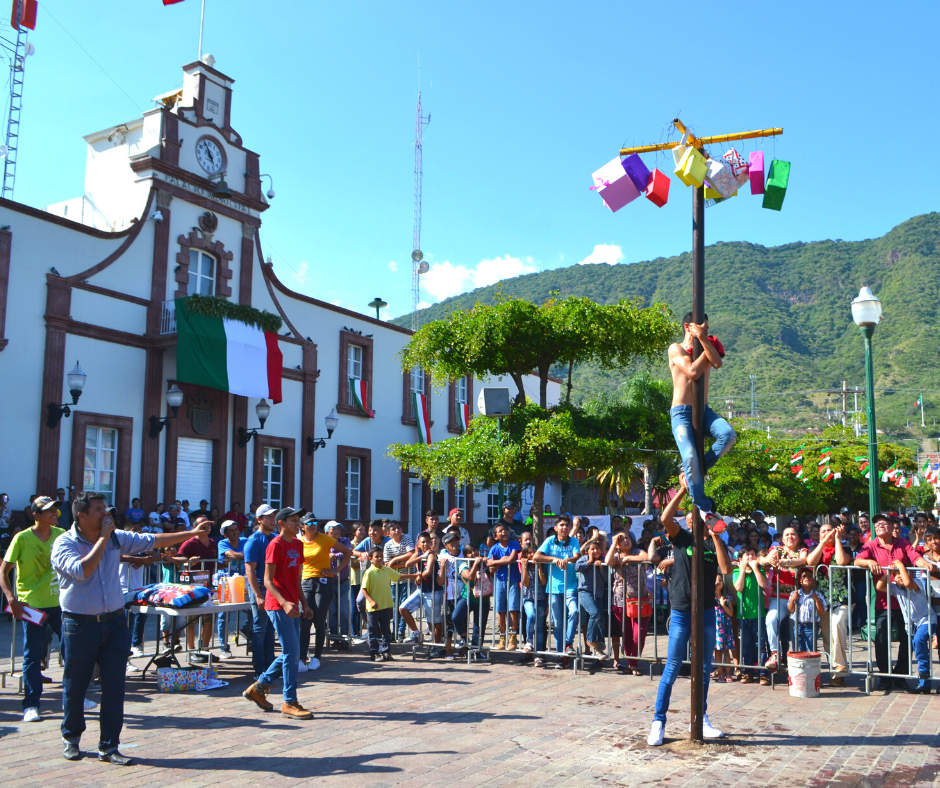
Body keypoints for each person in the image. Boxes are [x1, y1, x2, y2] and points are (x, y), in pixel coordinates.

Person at [51, 492, 207, 764]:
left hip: (113, 622)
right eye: (99, 509)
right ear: (82, 516)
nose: (106, 514)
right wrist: (102, 539)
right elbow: (82, 570)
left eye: (106, 509)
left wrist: (190, 532)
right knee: (75, 686)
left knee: (115, 686)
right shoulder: (65, 543)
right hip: (79, 624)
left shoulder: (115, 537)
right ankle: (71, 738)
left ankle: (109, 746)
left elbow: (153, 540)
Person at [647, 474, 733, 747]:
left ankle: (700, 717)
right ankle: (658, 721)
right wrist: (683, 490)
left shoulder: (712, 543)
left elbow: (726, 569)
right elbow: (664, 519)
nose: (695, 518)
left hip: (707, 609)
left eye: (703, 514)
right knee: (672, 666)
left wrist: (717, 535)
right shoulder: (682, 538)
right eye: (692, 515)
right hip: (683, 610)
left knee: (706, 667)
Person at [0, 496, 68, 721]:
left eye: (55, 509)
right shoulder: (22, 538)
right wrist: (11, 599)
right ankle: (31, 704)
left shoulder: (62, 535)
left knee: (73, 650)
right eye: (48, 510)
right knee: (32, 655)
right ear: (35, 515)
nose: (54, 513)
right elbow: (3, 571)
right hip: (32, 606)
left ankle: (73, 696)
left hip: (60, 605)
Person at [243, 507, 315, 719]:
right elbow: (267, 580)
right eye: (293, 520)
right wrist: (284, 602)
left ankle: (259, 687)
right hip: (278, 604)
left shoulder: (298, 544)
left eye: (298, 520)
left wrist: (304, 603)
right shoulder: (275, 545)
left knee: (290, 653)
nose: (297, 524)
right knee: (292, 653)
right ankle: (289, 701)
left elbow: (296, 579)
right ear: (281, 523)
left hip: (292, 604)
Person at [853, 513, 939, 691]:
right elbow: (857, 560)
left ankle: (901, 675)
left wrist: (925, 564)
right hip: (883, 601)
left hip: (907, 603)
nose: (879, 526)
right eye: (876, 524)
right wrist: (868, 561)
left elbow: (917, 558)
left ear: (893, 528)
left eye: (883, 523)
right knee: (882, 638)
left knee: (908, 639)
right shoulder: (870, 545)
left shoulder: (903, 543)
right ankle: (885, 676)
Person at [667, 313, 735, 513]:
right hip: (681, 412)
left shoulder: (708, 345)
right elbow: (693, 372)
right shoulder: (675, 348)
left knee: (728, 435)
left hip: (703, 411)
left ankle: (694, 472)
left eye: (707, 327)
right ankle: (703, 506)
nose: (705, 330)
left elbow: (718, 363)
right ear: (688, 327)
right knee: (689, 456)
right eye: (701, 327)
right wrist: (706, 347)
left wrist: (704, 340)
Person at [299, 514, 351, 671]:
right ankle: (302, 658)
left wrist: (336, 570)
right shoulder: (299, 542)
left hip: (324, 581)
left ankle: (317, 658)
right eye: (309, 523)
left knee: (319, 620)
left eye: (315, 522)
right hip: (307, 581)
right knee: (305, 620)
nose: (313, 525)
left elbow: (347, 552)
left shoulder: (325, 538)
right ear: (302, 526)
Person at [874, 561, 935, 693]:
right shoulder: (895, 588)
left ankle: (924, 672)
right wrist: (888, 573)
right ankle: (925, 683)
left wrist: (901, 566)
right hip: (912, 625)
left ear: (910, 573)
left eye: (902, 573)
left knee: (919, 641)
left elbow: (908, 583)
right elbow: (879, 586)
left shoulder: (917, 583)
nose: (899, 576)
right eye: (896, 575)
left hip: (926, 619)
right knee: (919, 649)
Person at [758, 523, 808, 671]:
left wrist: (788, 562)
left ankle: (800, 660)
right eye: (787, 535)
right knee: (771, 619)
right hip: (779, 597)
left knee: (797, 630)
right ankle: (775, 653)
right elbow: (764, 560)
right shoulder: (777, 550)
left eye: (793, 534)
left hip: (798, 597)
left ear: (798, 538)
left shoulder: (802, 550)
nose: (790, 537)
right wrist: (769, 561)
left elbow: (803, 560)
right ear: (782, 539)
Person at [807, 520, 852, 684]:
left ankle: (840, 665)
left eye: (830, 531)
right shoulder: (815, 549)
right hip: (822, 599)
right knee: (827, 637)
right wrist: (822, 543)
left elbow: (841, 561)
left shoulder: (845, 548)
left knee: (837, 624)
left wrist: (838, 540)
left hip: (843, 598)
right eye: (823, 532)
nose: (827, 534)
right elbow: (811, 562)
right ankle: (836, 674)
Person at [534, 514, 581, 662]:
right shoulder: (549, 541)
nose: (564, 527)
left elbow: (577, 556)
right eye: (561, 525)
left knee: (574, 612)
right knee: (558, 623)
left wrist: (567, 559)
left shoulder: (573, 541)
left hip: (570, 586)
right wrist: (554, 559)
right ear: (556, 528)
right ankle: (562, 656)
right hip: (553, 588)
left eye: (566, 525)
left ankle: (568, 642)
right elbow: (536, 556)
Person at [605, 530, 650, 674]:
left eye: (627, 538)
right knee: (628, 634)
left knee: (639, 633)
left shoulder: (638, 552)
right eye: (622, 539)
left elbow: (647, 557)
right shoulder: (616, 555)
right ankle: (632, 662)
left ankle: (633, 660)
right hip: (620, 600)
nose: (625, 540)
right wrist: (613, 543)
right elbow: (608, 561)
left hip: (640, 600)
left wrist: (629, 558)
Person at [361, 547, 417, 660]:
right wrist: (371, 601)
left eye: (381, 556)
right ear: (371, 559)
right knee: (373, 631)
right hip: (373, 609)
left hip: (385, 606)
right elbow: (364, 589)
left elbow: (399, 576)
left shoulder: (386, 569)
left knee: (386, 630)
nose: (380, 558)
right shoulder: (369, 572)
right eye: (377, 556)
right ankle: (374, 652)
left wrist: (415, 575)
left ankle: (386, 652)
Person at [244, 504, 277, 680]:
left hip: (272, 587)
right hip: (260, 587)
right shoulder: (254, 540)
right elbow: (250, 570)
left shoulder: (275, 538)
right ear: (259, 520)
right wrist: (258, 595)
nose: (272, 520)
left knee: (271, 629)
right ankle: (260, 669)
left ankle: (270, 667)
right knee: (259, 628)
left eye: (273, 516)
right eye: (268, 517)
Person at [175, 520, 218, 655]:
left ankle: (205, 649)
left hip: (208, 586)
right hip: (191, 587)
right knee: (191, 619)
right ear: (195, 527)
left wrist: (227, 561)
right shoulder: (188, 543)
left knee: (209, 618)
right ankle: (192, 649)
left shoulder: (212, 542)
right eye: (203, 525)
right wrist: (188, 561)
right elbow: (178, 560)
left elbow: (217, 563)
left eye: (209, 525)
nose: (206, 528)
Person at [732, 546, 768, 684]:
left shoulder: (759, 570)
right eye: (747, 555)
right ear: (741, 559)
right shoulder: (736, 571)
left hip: (758, 614)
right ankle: (748, 672)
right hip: (743, 615)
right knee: (746, 644)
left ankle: (763, 672)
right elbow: (739, 587)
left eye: (753, 555)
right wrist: (742, 569)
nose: (751, 558)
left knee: (760, 644)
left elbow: (763, 584)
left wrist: (755, 569)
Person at [216, 520, 248, 660]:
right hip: (227, 583)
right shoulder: (222, 543)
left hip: (245, 582)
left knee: (254, 609)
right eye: (232, 530)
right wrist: (242, 555)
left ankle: (246, 631)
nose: (236, 532)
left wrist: (239, 555)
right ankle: (224, 647)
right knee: (224, 615)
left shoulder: (245, 540)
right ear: (225, 534)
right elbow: (234, 555)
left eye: (237, 529)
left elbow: (251, 554)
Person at [487, 522, 522, 650]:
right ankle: (502, 636)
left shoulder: (514, 544)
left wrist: (495, 562)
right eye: (500, 531)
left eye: (505, 530)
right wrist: (500, 562)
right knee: (500, 610)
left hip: (513, 580)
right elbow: (491, 570)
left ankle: (513, 635)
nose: (504, 532)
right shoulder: (494, 548)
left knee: (513, 608)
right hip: (500, 581)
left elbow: (511, 559)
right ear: (495, 536)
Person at [575, 540, 608, 661]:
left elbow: (606, 579)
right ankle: (590, 640)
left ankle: (598, 649)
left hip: (598, 594)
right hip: (585, 592)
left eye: (597, 549)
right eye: (592, 549)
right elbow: (577, 568)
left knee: (601, 620)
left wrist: (600, 568)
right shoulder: (583, 558)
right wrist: (589, 562)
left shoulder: (602, 561)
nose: (595, 551)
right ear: (587, 551)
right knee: (595, 614)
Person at [383, 520, 415, 641]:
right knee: (396, 606)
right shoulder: (388, 545)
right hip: (394, 580)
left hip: (408, 579)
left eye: (399, 527)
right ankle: (395, 631)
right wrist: (403, 563)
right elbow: (388, 564)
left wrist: (395, 559)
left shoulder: (406, 538)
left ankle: (401, 631)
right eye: (393, 529)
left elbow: (411, 553)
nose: (397, 530)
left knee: (404, 605)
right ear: (388, 533)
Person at [520, 542, 548, 662]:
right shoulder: (525, 566)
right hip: (528, 598)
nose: (532, 555)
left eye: (533, 552)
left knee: (541, 626)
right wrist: (525, 567)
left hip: (541, 598)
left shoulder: (542, 565)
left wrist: (539, 566)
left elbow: (543, 582)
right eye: (529, 553)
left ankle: (538, 654)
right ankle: (529, 641)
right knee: (531, 616)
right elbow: (525, 583)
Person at [788, 568, 826, 652]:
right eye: (804, 576)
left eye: (810, 577)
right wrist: (793, 600)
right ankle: (800, 665)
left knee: (810, 650)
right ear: (800, 581)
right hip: (797, 625)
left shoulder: (818, 595)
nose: (807, 578)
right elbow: (790, 610)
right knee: (798, 650)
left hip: (811, 627)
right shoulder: (796, 594)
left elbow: (822, 613)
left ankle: (810, 665)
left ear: (814, 581)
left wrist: (816, 600)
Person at [326, 521, 354, 640]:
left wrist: (335, 556)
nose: (337, 531)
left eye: (338, 529)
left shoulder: (344, 541)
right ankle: (333, 637)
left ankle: (344, 637)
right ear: (327, 532)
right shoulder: (324, 542)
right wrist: (328, 555)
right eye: (334, 529)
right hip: (329, 582)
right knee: (332, 611)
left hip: (343, 581)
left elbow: (348, 551)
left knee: (343, 611)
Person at [713, 574, 736, 681]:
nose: (718, 582)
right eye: (716, 580)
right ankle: (720, 672)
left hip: (725, 627)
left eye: (720, 580)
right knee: (717, 650)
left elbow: (731, 613)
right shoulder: (709, 598)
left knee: (726, 651)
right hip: (715, 627)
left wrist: (723, 605)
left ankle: (728, 672)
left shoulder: (727, 597)